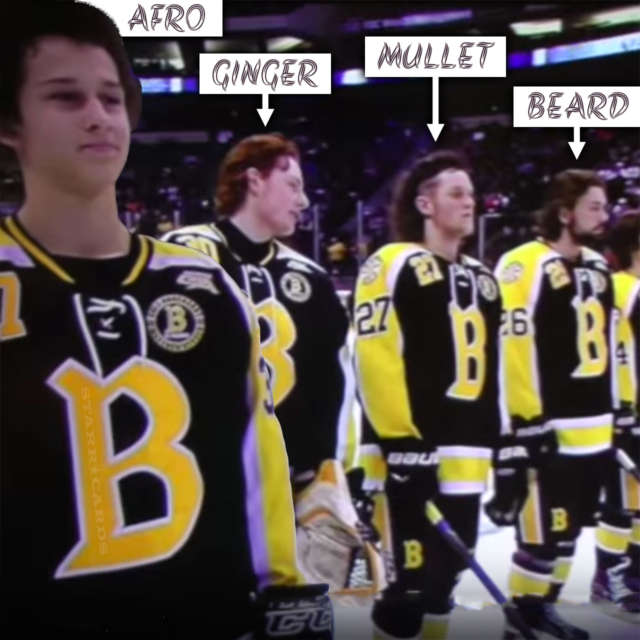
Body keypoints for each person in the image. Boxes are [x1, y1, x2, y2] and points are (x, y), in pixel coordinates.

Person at [0, 2, 333, 638]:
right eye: (65, 97)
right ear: (10, 122)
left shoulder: (206, 284)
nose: (99, 115)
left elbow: (252, 459)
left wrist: (289, 591)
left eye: (112, 98)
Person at [161, 134, 378, 596]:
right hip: (200, 487)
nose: (303, 201)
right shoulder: (182, 255)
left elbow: (335, 388)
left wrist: (335, 470)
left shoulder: (312, 280)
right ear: (254, 180)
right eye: (293, 185)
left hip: (287, 491)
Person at [353, 151, 504, 639]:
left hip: (468, 456)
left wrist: (507, 448)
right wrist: (399, 443)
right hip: (410, 454)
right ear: (424, 203)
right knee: (407, 592)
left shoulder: (484, 278)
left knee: (444, 584)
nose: (469, 202)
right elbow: (375, 356)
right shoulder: (393, 262)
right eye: (456, 193)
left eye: (471, 193)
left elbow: (494, 369)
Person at [489, 169, 613, 639]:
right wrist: (523, 423)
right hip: (550, 429)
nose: (604, 216)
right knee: (541, 535)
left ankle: (544, 610)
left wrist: (621, 412)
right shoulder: (524, 265)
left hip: (596, 429)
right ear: (565, 213)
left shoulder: (599, 267)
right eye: (595, 207)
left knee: (570, 533)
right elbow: (512, 350)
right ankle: (521, 618)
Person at [590, 212, 640, 621]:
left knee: (630, 500)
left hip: (615, 408)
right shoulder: (631, 291)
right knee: (623, 501)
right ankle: (612, 575)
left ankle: (624, 573)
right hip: (627, 410)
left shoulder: (611, 287)